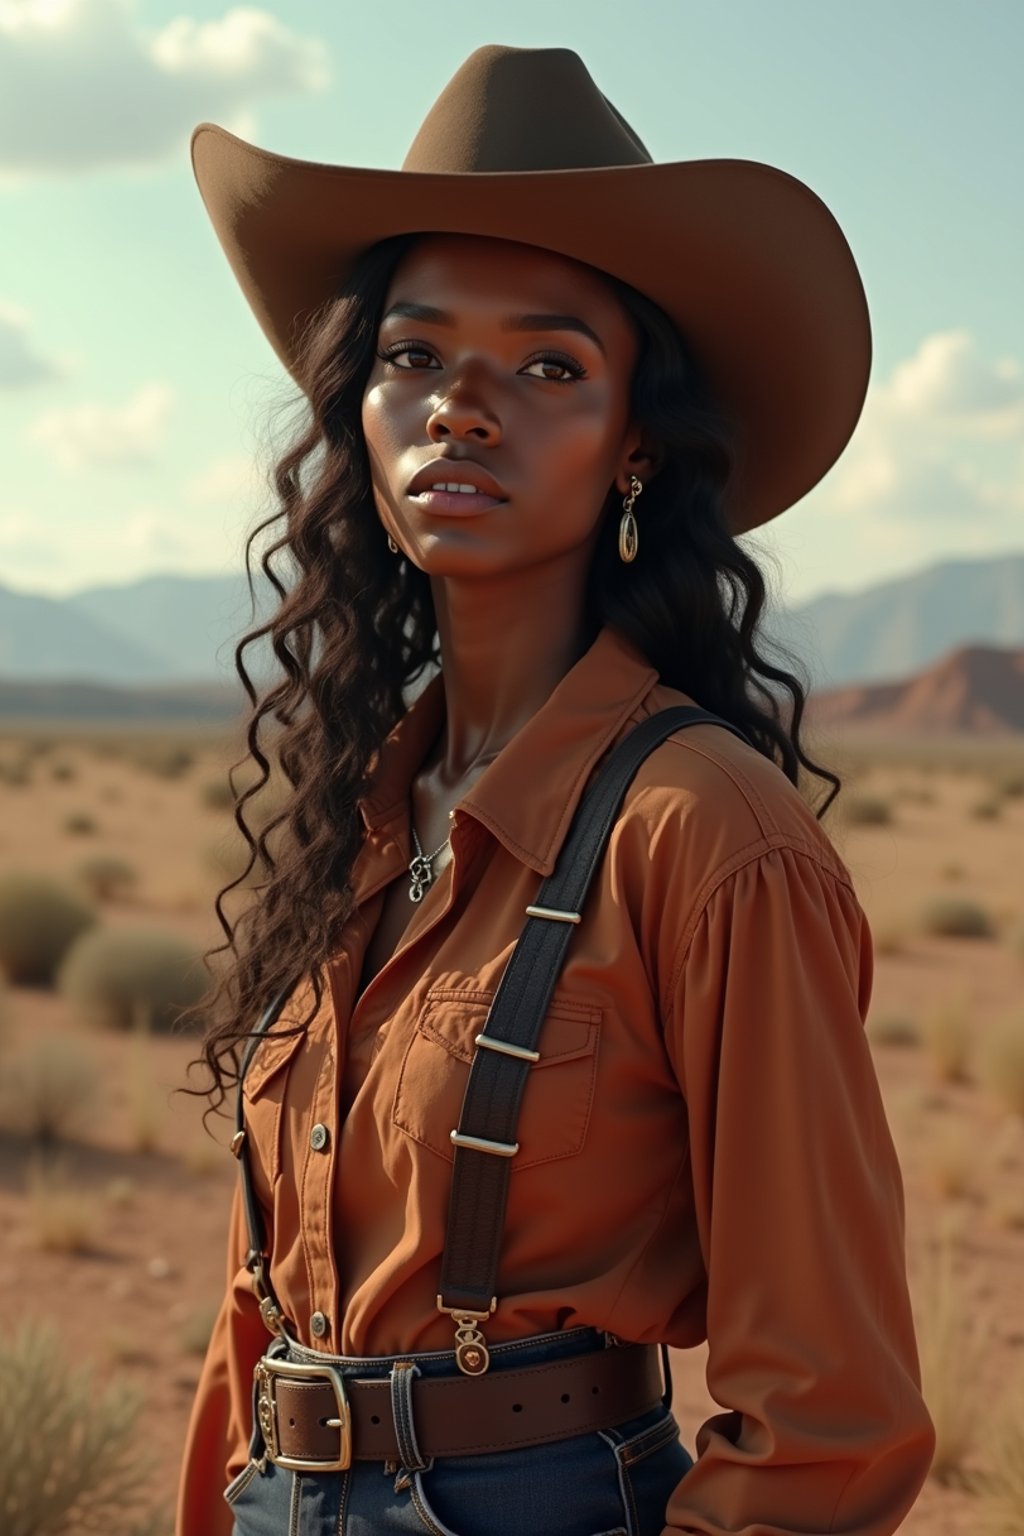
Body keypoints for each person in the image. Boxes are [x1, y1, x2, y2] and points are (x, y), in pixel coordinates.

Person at [177, 43, 935, 1536]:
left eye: (545, 365)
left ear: (634, 444)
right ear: (359, 416)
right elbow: (253, 1321)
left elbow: (829, 1421)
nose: (461, 408)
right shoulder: (359, 818)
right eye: (412, 356)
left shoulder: (707, 837)